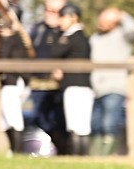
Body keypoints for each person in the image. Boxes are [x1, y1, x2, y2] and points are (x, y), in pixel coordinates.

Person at [89, 6, 134, 156]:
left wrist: (120, 15)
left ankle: (107, 156)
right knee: (95, 125)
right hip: (96, 89)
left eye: (105, 20)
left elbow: (133, 27)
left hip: (114, 87)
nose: (101, 23)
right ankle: (95, 156)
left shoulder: (122, 36)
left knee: (109, 124)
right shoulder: (94, 39)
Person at [52, 2, 91, 155]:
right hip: (80, 85)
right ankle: (81, 157)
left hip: (75, 85)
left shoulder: (73, 37)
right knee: (81, 124)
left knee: (76, 125)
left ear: (73, 18)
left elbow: (55, 51)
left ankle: (78, 156)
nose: (60, 21)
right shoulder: (81, 37)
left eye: (63, 17)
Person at [29, 0, 66, 154]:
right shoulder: (37, 29)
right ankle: (62, 149)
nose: (49, 13)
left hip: (59, 86)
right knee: (39, 118)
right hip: (38, 85)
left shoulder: (67, 32)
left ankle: (66, 151)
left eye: (54, 11)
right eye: (47, 9)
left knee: (61, 121)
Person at [0, 4, 31, 155]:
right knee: (6, 118)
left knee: (13, 117)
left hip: (14, 81)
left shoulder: (15, 38)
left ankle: (17, 151)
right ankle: (12, 150)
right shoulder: (9, 37)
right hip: (8, 82)